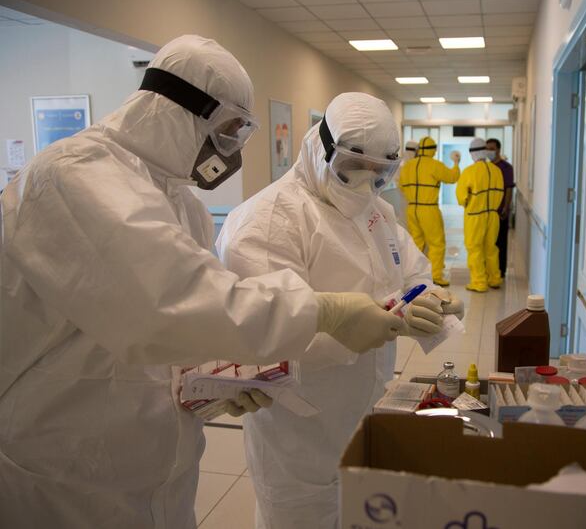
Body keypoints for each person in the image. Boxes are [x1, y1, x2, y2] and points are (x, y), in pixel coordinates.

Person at [0, 36, 402, 529]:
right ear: (177, 110)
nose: (230, 152)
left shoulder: (182, 204)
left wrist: (211, 383)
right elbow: (170, 304)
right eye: (229, 131)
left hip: (159, 468)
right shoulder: (73, 175)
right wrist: (327, 311)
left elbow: (176, 340)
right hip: (60, 470)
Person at [216, 92, 465, 529]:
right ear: (321, 146)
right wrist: (362, 324)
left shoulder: (378, 212)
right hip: (299, 431)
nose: (366, 186)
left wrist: (430, 298)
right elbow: (263, 333)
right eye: (352, 170)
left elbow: (410, 272)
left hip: (366, 407)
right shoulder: (268, 221)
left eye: (380, 174)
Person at [398, 135, 461, 286]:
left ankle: (414, 275)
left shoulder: (408, 165)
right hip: (429, 209)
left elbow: (401, 185)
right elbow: (452, 177)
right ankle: (435, 276)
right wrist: (456, 163)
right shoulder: (435, 165)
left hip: (412, 208)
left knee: (416, 243)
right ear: (433, 150)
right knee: (436, 243)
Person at [456, 137, 506, 292]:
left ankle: (479, 282)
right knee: (491, 248)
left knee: (475, 248)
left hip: (475, 216)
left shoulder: (469, 172)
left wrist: (469, 202)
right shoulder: (497, 170)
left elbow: (461, 197)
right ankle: (494, 279)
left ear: (473, 154)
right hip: (493, 215)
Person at [485, 138, 515, 278]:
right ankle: (488, 270)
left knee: (500, 242)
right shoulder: (485, 167)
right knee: (487, 243)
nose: (489, 151)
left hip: (500, 211)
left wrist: (505, 208)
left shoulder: (506, 168)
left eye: (492, 148)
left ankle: (500, 271)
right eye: (487, 149)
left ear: (498, 149)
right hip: (486, 212)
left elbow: (509, 189)